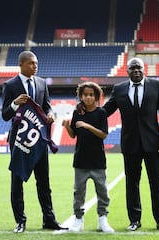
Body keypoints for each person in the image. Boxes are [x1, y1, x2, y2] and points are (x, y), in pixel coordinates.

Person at [78, 57, 159, 232]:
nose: (136, 71)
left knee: (157, 182)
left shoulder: (156, 86)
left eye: (139, 68)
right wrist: (85, 110)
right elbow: (106, 111)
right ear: (127, 71)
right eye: (132, 68)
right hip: (130, 144)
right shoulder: (119, 89)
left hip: (153, 144)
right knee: (132, 183)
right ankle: (134, 220)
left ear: (144, 70)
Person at [2, 50, 67, 233]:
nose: (35, 66)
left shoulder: (41, 83)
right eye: (31, 63)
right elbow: (5, 114)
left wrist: (50, 114)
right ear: (21, 64)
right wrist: (15, 103)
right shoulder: (10, 85)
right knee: (17, 182)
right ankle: (20, 221)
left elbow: (46, 105)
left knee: (44, 182)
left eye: (36, 63)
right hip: (19, 142)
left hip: (39, 141)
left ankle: (49, 220)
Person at [62, 82, 115, 233]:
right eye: (85, 95)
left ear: (96, 96)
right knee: (78, 192)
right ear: (81, 96)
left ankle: (102, 219)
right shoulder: (77, 112)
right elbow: (73, 134)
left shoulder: (101, 113)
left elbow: (103, 135)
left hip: (98, 160)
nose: (88, 97)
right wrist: (67, 126)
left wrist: (87, 126)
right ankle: (78, 219)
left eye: (91, 95)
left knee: (102, 191)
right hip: (81, 160)